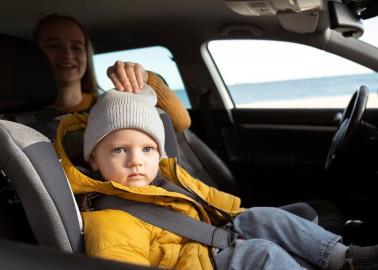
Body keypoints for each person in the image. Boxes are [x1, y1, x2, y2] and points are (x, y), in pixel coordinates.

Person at [54, 87, 378, 270]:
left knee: (261, 218)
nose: (136, 159)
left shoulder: (165, 179)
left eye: (148, 149)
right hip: (194, 264)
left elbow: (211, 200)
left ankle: (344, 258)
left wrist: (243, 218)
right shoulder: (110, 218)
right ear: (93, 159)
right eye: (119, 150)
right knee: (259, 253)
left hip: (207, 241)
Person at [33, 14, 190, 132]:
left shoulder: (111, 106)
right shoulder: (22, 118)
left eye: (76, 47)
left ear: (86, 55)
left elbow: (180, 124)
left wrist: (146, 78)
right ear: (34, 53)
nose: (67, 54)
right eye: (53, 46)